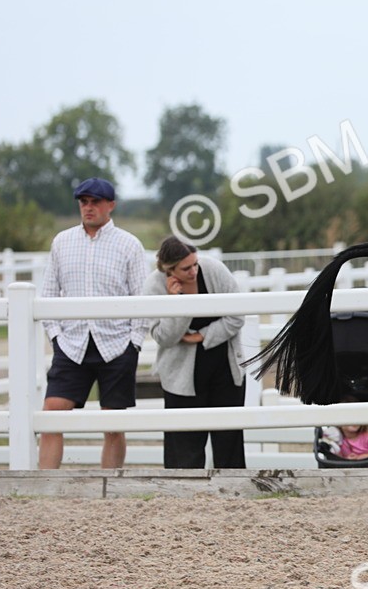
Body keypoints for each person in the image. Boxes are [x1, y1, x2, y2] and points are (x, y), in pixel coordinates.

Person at [39, 178, 148, 469]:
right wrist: (55, 336)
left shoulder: (129, 245)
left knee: (113, 423)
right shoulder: (62, 242)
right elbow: (48, 294)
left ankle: (108, 487)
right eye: (84, 202)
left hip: (117, 344)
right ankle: (43, 486)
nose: (88, 207)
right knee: (51, 414)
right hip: (71, 344)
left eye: (95, 202)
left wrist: (134, 344)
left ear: (110, 205)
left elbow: (142, 299)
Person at [145, 236, 247, 469]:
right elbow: (164, 338)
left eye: (195, 264)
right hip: (180, 375)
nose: (193, 271)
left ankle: (231, 488)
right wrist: (178, 302)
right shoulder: (153, 286)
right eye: (185, 268)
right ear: (169, 270)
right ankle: (183, 490)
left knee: (229, 441)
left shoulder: (214, 270)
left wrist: (202, 336)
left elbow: (237, 315)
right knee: (184, 446)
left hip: (225, 368)